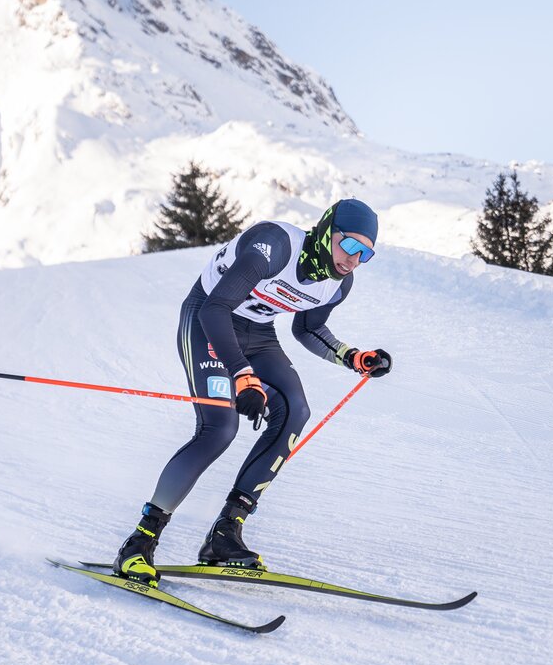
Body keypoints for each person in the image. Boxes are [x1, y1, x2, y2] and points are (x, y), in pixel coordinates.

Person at [113, 198, 393, 586]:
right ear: (328, 230)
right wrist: (242, 374)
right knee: (219, 428)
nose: (354, 259)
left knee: (295, 411)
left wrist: (352, 356)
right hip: (208, 323)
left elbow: (307, 329)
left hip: (257, 334)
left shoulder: (338, 284)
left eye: (366, 254)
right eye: (349, 245)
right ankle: (139, 543)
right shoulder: (275, 245)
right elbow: (214, 309)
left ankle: (225, 534)